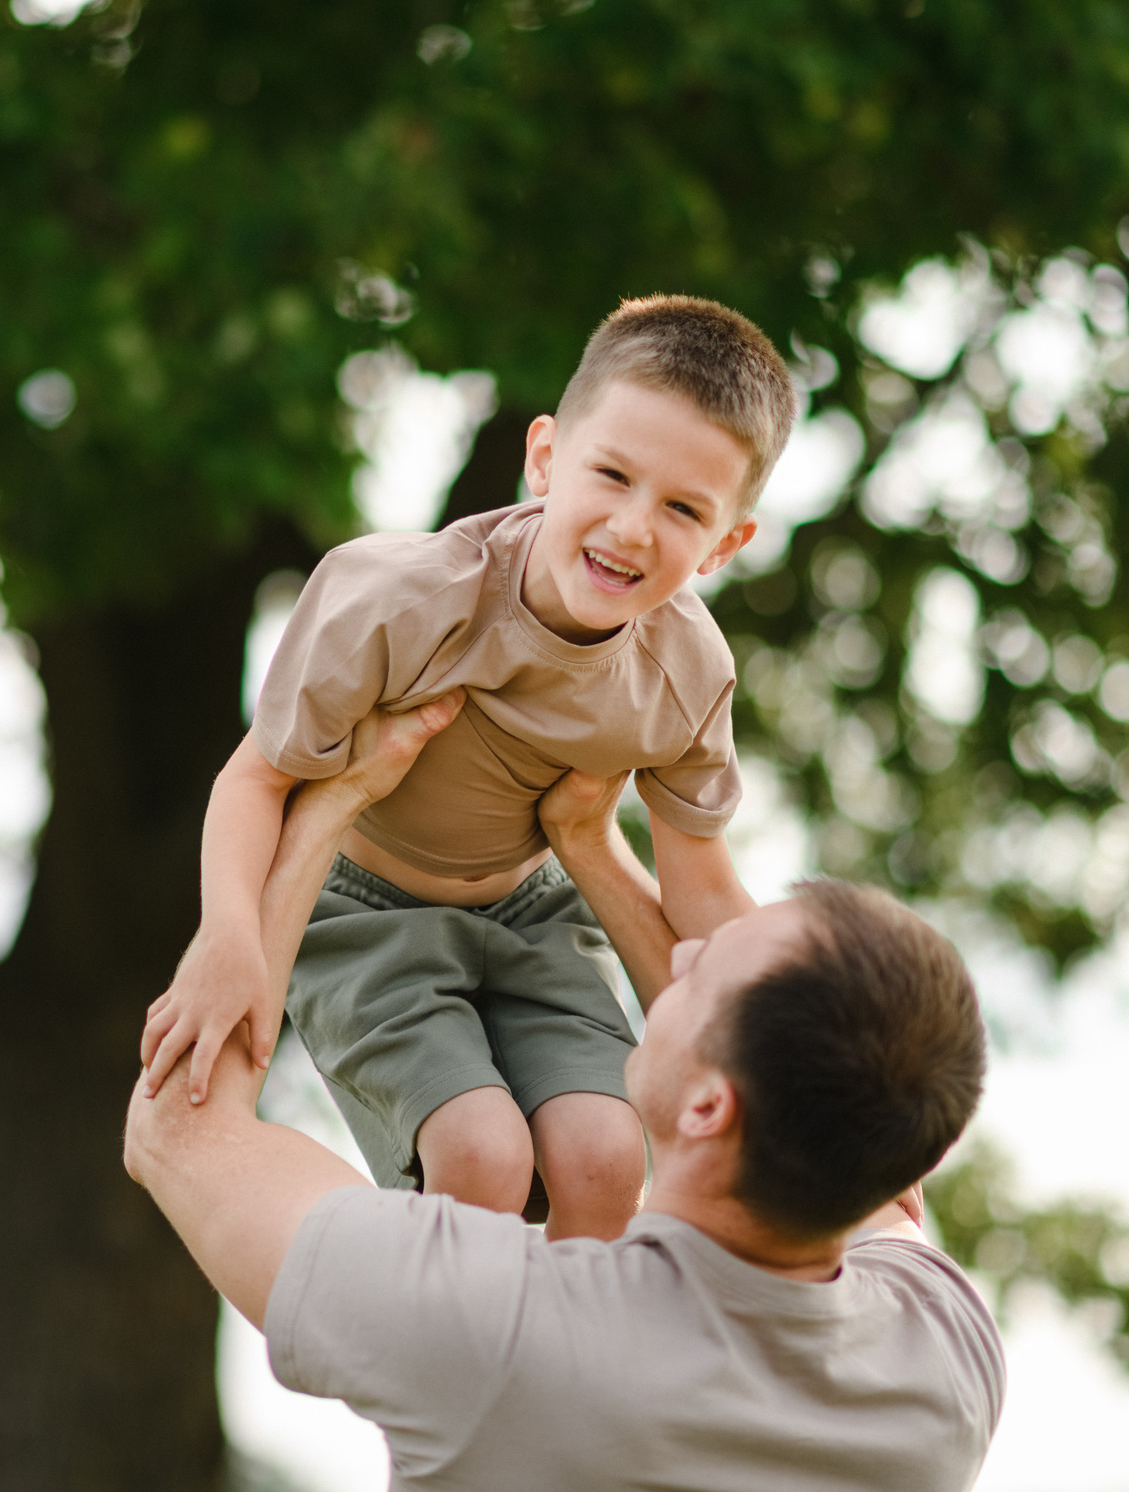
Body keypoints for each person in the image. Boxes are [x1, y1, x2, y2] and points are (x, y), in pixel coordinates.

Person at [125, 704, 1003, 1492]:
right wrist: (590, 842)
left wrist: (320, 812)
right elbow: (861, 1139)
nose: (679, 957)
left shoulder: (494, 1333)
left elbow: (176, 1129)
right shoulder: (939, 1361)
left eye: (705, 972)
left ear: (709, 1111)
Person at [141, 296, 798, 1237]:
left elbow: (701, 885)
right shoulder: (400, 599)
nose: (632, 528)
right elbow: (256, 778)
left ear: (728, 543)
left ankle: (562, 1373)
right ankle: (445, 1366)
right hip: (366, 910)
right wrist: (229, 936)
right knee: (482, 1155)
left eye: (684, 509)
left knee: (608, 1156)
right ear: (545, 456)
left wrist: (795, 1048)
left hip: (535, 918)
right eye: (610, 474)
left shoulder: (686, 674)